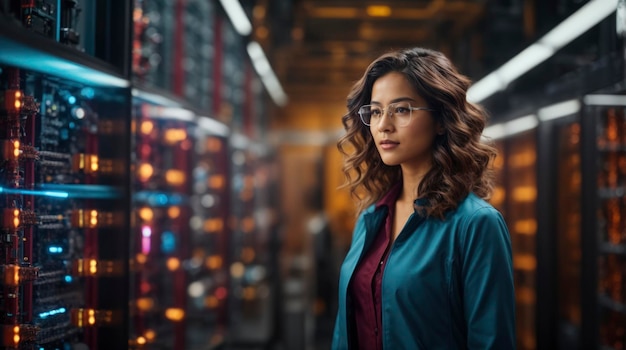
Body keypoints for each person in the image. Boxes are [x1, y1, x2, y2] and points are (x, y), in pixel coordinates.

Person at [331, 47, 516, 349]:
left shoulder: (476, 225)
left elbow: (492, 341)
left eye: (401, 110)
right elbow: (345, 330)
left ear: (442, 120)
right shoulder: (371, 218)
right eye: (376, 111)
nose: (383, 125)